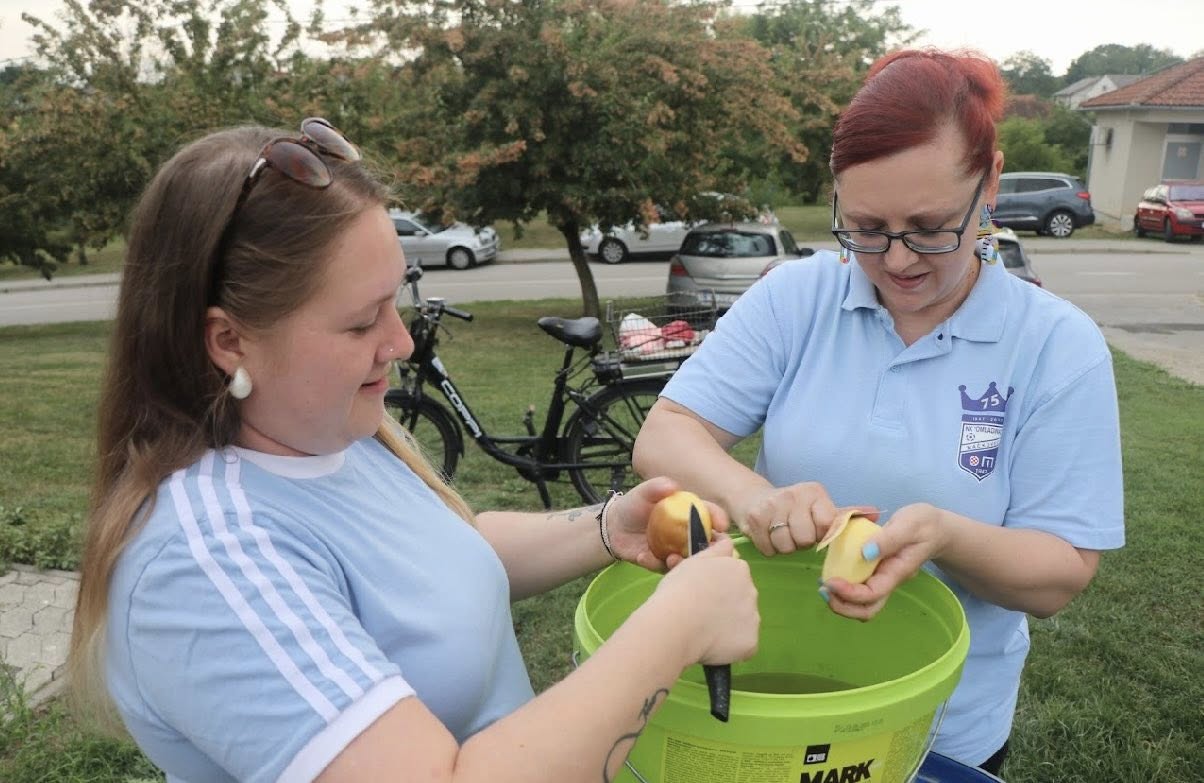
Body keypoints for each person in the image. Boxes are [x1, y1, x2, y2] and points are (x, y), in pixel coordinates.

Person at [67, 118, 760, 783]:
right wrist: (676, 627)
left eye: (393, 302)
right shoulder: (206, 563)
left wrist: (608, 526)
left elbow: (438, 560)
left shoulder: (335, 434)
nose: (398, 342)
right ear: (229, 340)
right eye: (361, 322)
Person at [633, 49, 1124, 775]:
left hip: (941, 728)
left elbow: (1061, 571)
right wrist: (754, 496)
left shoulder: (1056, 346)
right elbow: (667, 433)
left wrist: (945, 535)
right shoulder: (796, 298)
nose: (897, 261)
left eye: (930, 227)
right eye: (864, 227)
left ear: (989, 185)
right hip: (773, 700)